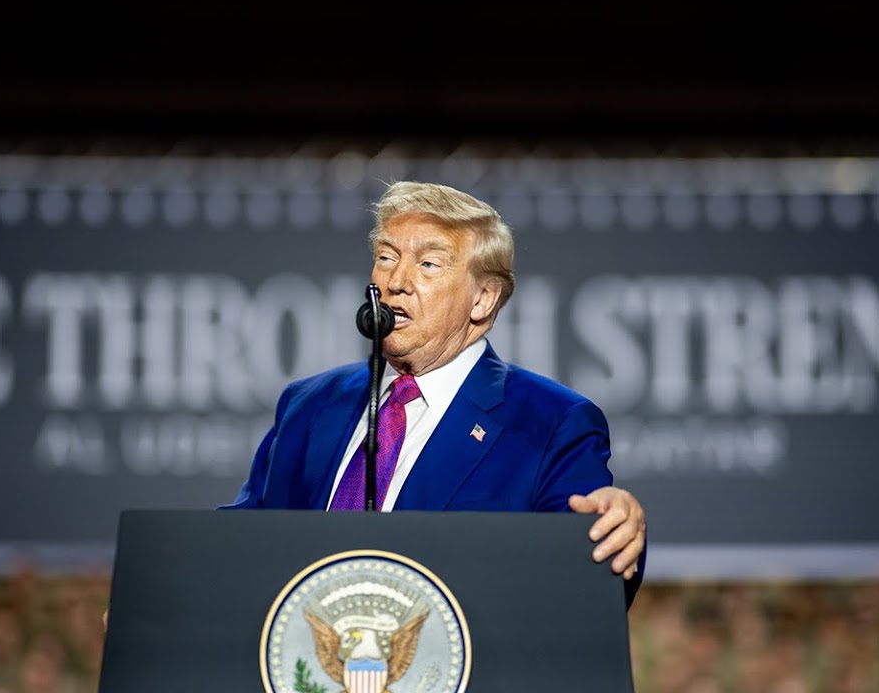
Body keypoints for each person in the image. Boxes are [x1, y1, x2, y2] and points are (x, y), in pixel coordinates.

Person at [220, 180, 647, 605]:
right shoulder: (308, 405)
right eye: (386, 257)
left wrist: (611, 523)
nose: (397, 281)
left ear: (482, 298)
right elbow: (237, 548)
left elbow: (582, 565)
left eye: (428, 264)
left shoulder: (552, 422)